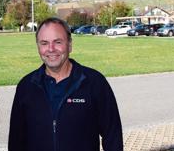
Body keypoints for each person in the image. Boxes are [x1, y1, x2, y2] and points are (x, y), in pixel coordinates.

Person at [8, 17, 123, 151]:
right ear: (38, 47)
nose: (51, 49)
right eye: (44, 43)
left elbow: (113, 137)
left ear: (69, 45)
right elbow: (16, 141)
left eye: (57, 42)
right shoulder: (26, 87)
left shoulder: (94, 83)